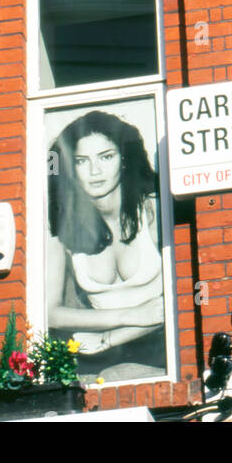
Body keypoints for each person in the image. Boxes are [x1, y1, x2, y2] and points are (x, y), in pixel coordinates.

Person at [46, 110, 165, 381]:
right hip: (101, 358)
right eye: (81, 161)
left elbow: (182, 299)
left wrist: (108, 338)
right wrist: (131, 315)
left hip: (163, 348)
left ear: (124, 159)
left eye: (106, 157)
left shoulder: (154, 210)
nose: (95, 171)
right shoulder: (61, 229)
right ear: (70, 169)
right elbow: (50, 314)